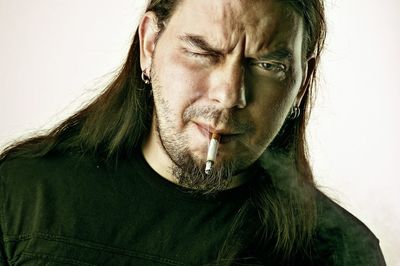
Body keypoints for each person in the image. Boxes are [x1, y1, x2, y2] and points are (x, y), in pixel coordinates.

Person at [0, 0, 386, 265]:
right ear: (150, 45)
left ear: (301, 84)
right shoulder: (20, 195)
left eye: (268, 65)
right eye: (203, 52)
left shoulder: (339, 252)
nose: (230, 96)